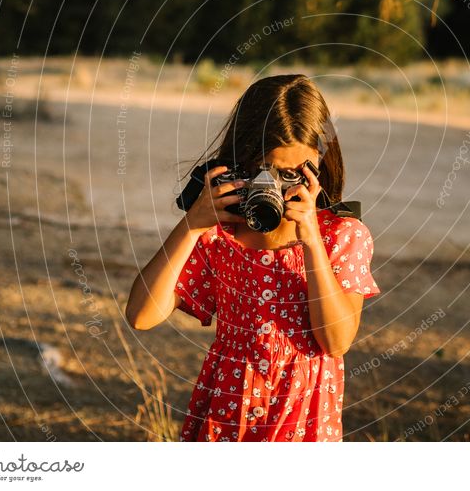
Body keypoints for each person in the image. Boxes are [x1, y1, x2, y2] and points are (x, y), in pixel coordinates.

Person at [125, 73, 381, 441]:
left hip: (302, 424)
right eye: (266, 170)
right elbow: (141, 315)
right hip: (226, 419)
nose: (276, 185)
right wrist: (191, 226)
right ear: (240, 162)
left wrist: (311, 241)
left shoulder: (340, 236)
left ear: (320, 167)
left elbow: (336, 341)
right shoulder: (218, 236)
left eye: (294, 172)